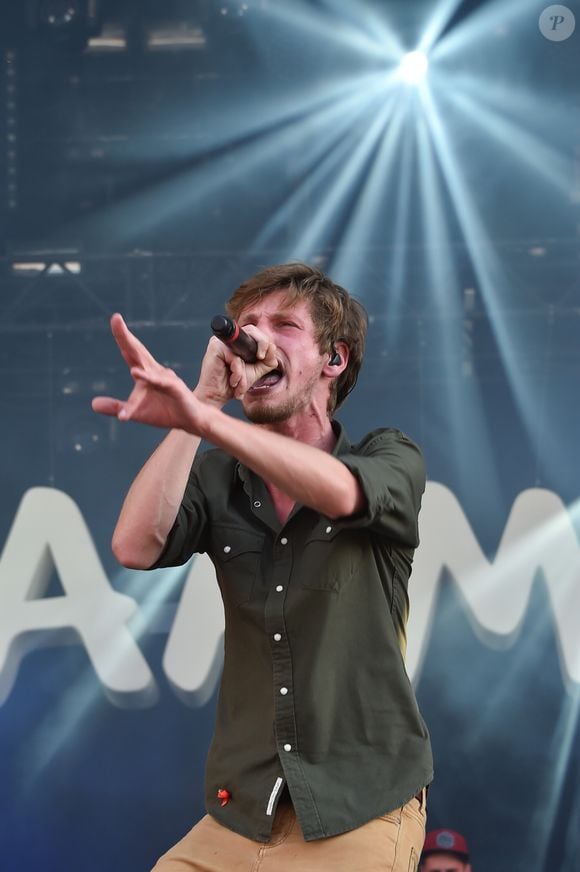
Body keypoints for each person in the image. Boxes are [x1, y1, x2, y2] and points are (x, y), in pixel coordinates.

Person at [92, 262, 433, 871]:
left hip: (359, 806)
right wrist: (200, 404)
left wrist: (206, 424)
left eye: (284, 325)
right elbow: (135, 546)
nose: (256, 338)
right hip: (242, 809)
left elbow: (341, 492)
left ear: (334, 360)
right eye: (246, 325)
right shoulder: (218, 474)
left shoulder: (390, 454)